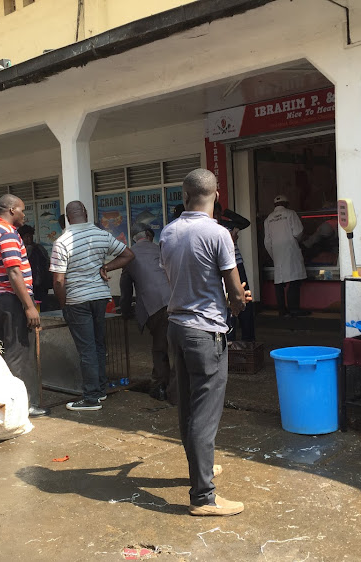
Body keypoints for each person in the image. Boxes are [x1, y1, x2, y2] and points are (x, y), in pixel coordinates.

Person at [160, 169, 250, 517]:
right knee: (205, 413)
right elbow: (235, 292)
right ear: (215, 193)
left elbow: (179, 278)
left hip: (177, 327)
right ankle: (204, 497)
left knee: (188, 406)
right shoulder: (218, 234)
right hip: (205, 332)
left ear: (185, 194)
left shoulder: (168, 232)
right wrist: (240, 300)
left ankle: (201, 469)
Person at [50, 200, 134, 411]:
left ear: (68, 218)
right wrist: (107, 266)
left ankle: (91, 398)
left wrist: (64, 304)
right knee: (98, 345)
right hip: (100, 298)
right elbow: (128, 255)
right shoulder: (101, 235)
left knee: (86, 349)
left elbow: (59, 281)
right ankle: (100, 389)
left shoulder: (62, 241)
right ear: (86, 214)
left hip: (77, 300)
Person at [0, 194, 47, 417]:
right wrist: (29, 306)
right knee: (17, 352)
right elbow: (13, 271)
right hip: (11, 299)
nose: (24, 214)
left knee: (1, 351)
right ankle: (20, 406)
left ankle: (2, 404)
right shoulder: (8, 232)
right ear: (11, 210)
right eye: (21, 210)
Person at [120, 228, 173, 402]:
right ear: (149, 237)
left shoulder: (129, 254)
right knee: (178, 345)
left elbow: (126, 289)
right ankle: (175, 385)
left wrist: (125, 312)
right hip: (176, 301)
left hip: (155, 306)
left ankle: (160, 387)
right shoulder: (160, 249)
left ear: (134, 239)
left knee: (160, 347)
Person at [215, 203, 255, 341]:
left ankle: (248, 340)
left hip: (237, 265)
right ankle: (230, 340)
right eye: (214, 214)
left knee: (244, 302)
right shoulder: (212, 230)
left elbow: (245, 222)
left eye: (218, 214)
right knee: (228, 304)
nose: (217, 217)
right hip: (222, 269)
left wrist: (226, 212)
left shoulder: (227, 225)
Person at [263, 194, 308, 317]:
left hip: (276, 252)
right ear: (287, 204)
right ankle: (294, 309)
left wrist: (273, 255)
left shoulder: (268, 219)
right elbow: (298, 232)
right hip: (290, 250)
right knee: (294, 280)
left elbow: (267, 241)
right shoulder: (290, 214)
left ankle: (282, 310)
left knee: (279, 281)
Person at [19, 225, 54, 311]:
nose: (29, 238)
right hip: (29, 285)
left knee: (43, 306)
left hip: (42, 284)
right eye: (26, 236)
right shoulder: (21, 250)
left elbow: (47, 262)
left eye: (30, 236)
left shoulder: (39, 248)